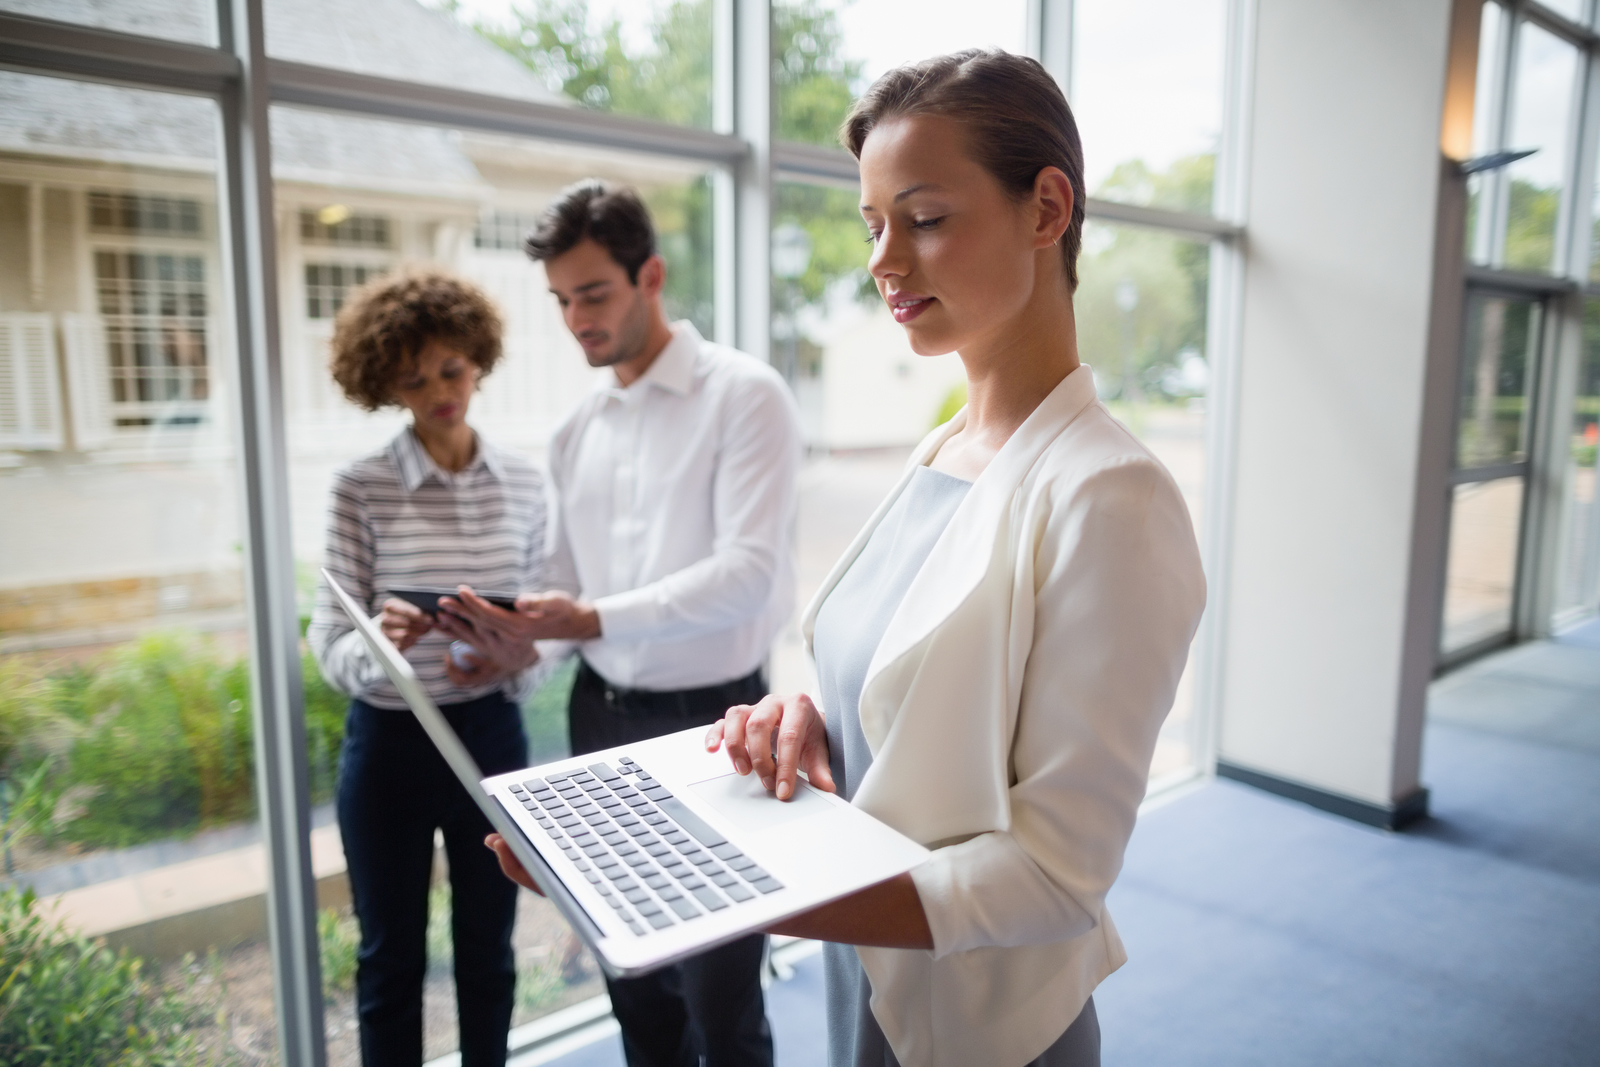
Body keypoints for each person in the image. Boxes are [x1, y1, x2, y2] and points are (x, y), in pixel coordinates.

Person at [481, 50, 1206, 1067]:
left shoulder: (1112, 495)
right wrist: (807, 716)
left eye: (924, 217)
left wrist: (708, 889)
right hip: (873, 982)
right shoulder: (944, 451)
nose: (882, 260)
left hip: (979, 1026)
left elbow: (1052, 880)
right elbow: (915, 696)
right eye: (874, 226)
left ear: (1046, 209)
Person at [453, 180, 802, 1067]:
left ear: (650, 275)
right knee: (635, 989)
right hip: (597, 722)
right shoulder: (573, 431)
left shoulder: (745, 395)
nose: (576, 319)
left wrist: (587, 614)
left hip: (718, 727)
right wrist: (514, 643)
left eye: (594, 293)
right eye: (561, 300)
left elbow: (747, 576)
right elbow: (564, 590)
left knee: (722, 1002)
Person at [308, 269, 548, 1067]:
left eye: (451, 369)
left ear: (478, 358)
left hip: (489, 737)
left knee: (489, 949)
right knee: (389, 960)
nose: (440, 391)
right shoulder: (360, 487)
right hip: (388, 744)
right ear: (384, 385)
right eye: (413, 379)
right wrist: (380, 641)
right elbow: (329, 648)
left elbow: (542, 646)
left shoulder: (524, 481)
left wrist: (510, 655)